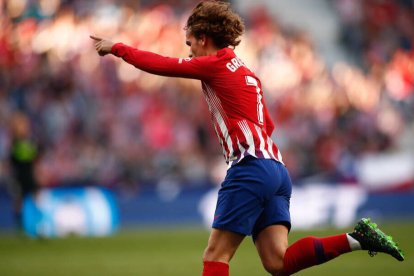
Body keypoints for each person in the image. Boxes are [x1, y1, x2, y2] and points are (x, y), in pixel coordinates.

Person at [91, 1, 404, 275]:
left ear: (203, 38)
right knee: (278, 262)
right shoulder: (247, 72)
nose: (189, 51)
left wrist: (118, 48)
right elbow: (266, 124)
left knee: (216, 255)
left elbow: (164, 65)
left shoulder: (214, 64)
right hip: (277, 172)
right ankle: (358, 238)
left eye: (190, 43)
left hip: (250, 169)